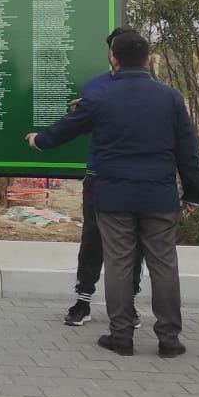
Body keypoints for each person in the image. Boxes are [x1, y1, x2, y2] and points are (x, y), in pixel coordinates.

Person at [28, 30, 199, 358]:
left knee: (119, 263)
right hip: (159, 196)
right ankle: (169, 339)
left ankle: (121, 336)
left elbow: (67, 128)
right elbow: (188, 152)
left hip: (113, 196)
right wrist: (192, 194)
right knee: (164, 265)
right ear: (148, 59)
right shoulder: (170, 99)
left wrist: (40, 140)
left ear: (114, 59)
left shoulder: (101, 97)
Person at [62, 27, 144, 328]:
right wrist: (80, 114)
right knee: (92, 240)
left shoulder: (149, 89)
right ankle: (83, 301)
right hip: (99, 177)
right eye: (112, 50)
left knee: (134, 245)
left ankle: (128, 305)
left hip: (135, 180)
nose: (114, 57)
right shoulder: (95, 87)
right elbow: (81, 125)